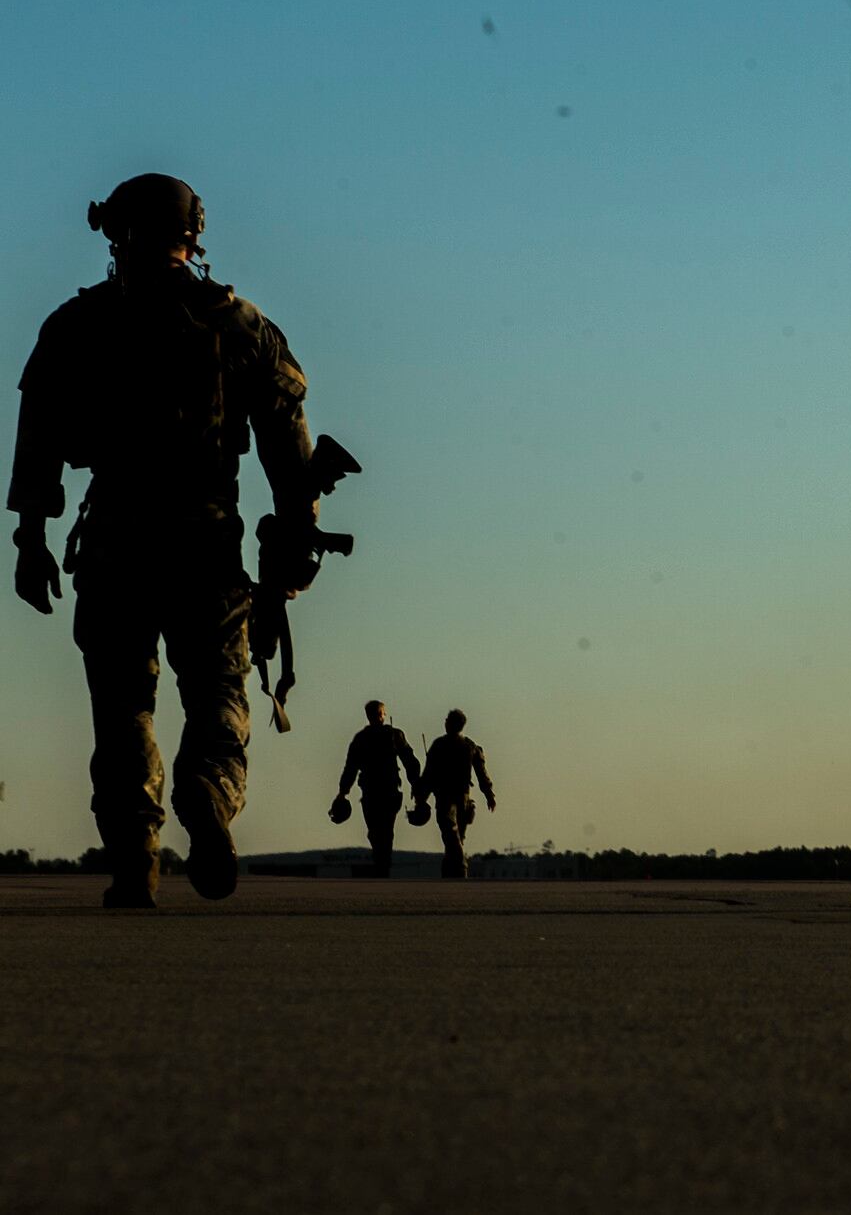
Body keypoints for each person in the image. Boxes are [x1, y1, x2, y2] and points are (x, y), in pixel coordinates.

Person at [9, 174, 329, 908]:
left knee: (122, 704)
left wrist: (31, 537)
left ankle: (136, 860)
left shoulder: (75, 325)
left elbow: (39, 441)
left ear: (114, 233)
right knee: (219, 689)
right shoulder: (240, 324)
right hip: (207, 542)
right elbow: (289, 436)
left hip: (117, 543)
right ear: (195, 234)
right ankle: (209, 795)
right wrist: (297, 534)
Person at [334, 700, 425, 876]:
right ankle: (383, 864)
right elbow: (410, 762)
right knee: (382, 830)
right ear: (380, 715)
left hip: (375, 792)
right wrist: (416, 785)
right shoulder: (391, 735)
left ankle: (382, 865)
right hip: (383, 791)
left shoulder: (365, 738)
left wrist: (342, 793)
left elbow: (350, 768)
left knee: (378, 830)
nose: (380, 716)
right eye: (379, 713)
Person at [422, 709, 495, 878]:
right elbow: (482, 774)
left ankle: (459, 868)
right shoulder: (469, 746)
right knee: (454, 836)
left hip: (449, 796)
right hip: (461, 797)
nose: (445, 723)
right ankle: (452, 874)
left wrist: (422, 794)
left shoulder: (442, 745)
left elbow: (429, 773)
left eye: (448, 720)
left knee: (451, 833)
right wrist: (488, 794)